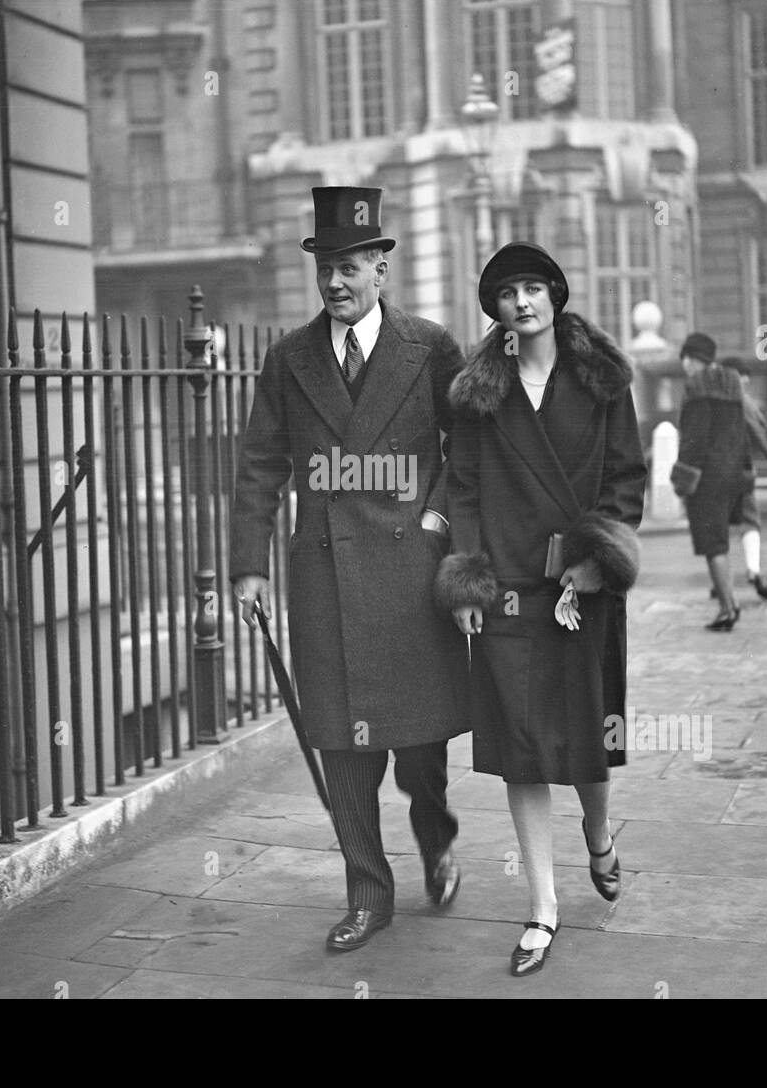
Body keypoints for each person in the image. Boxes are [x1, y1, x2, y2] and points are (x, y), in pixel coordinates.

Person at [229, 186, 469, 952]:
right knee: (344, 745)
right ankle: (369, 891)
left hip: (412, 577)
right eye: (326, 268)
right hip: (324, 574)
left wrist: (435, 518)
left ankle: (435, 838)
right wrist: (248, 568)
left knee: (420, 748)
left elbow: (466, 451)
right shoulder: (290, 357)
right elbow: (261, 463)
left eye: (350, 267)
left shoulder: (430, 347)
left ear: (380, 269)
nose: (335, 283)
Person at [433, 242, 646, 977]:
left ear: (554, 295)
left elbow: (626, 478)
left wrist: (596, 562)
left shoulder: (602, 380)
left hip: (582, 591)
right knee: (520, 751)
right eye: (505, 293)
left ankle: (599, 836)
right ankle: (542, 907)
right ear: (492, 308)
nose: (521, 302)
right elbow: (462, 487)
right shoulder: (478, 395)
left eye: (532, 288)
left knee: (586, 743)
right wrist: (467, 582)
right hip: (507, 595)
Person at [675, 333, 752, 631]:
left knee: (712, 545)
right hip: (731, 475)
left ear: (692, 359)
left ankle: (726, 609)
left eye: (686, 359)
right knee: (720, 542)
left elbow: (694, 440)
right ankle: (730, 603)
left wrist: (683, 479)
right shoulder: (731, 386)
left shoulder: (697, 388)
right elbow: (741, 434)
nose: (684, 366)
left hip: (706, 478)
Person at [718, 355, 767, 601]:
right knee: (749, 522)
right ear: (740, 378)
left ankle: (720, 581)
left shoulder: (709, 400)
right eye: (745, 377)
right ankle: (753, 569)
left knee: (719, 527)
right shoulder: (744, 402)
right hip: (740, 470)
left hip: (713, 475)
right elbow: (763, 436)